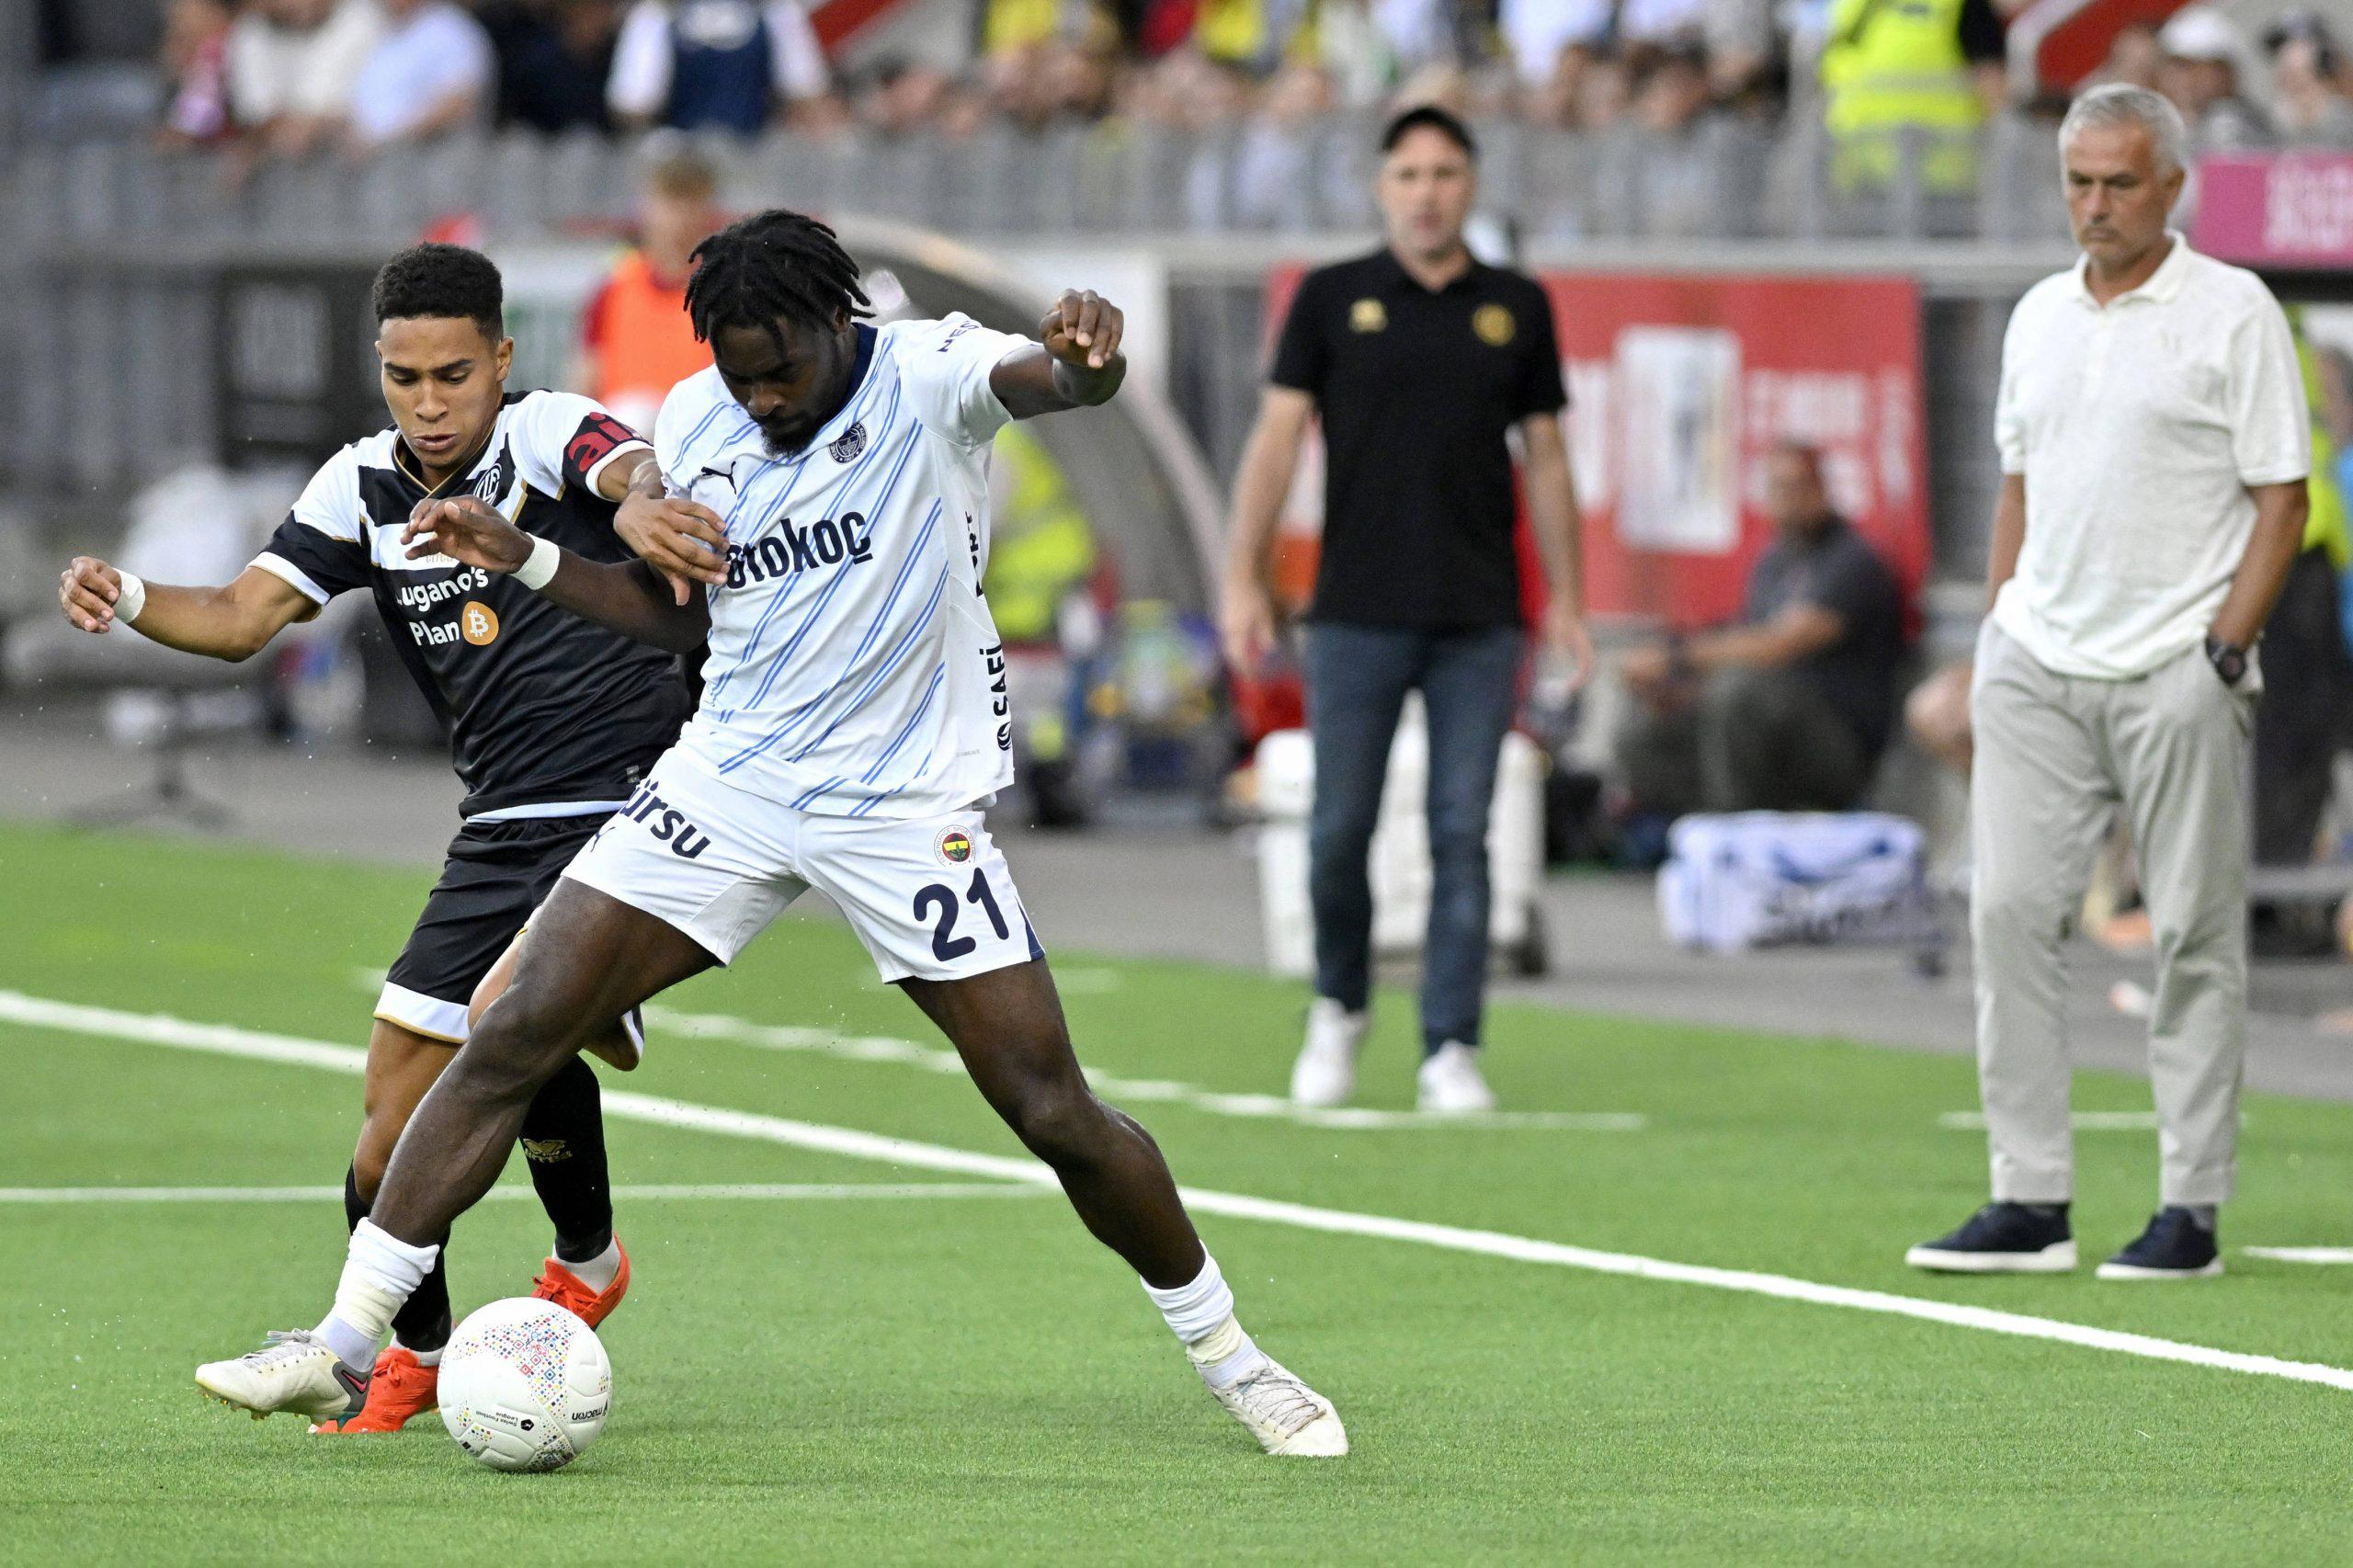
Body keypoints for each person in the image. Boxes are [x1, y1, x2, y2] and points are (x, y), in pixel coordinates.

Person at [189, 211, 1348, 1460]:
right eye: (738, 374)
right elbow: (671, 618)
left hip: (905, 805)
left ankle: (1237, 1359)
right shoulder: (698, 420)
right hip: (732, 778)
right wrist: (524, 555)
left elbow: (1056, 379)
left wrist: (1087, 358)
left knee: (1050, 1105)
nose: (761, 398)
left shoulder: (927, 372)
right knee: (512, 1021)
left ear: (834, 325)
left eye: (779, 369)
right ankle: (347, 1339)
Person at [58, 244, 697, 1429]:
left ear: (502, 361)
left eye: (455, 372)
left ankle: (510, 1280)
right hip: (498, 822)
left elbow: (625, 465)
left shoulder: (553, 431)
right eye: (404, 376)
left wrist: (647, 497)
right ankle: (421, 1346)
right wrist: (132, 596)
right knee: (387, 1131)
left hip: (632, 800)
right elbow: (248, 617)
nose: (431, 399)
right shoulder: (360, 485)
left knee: (517, 1006)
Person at [1905, 85, 2310, 1281]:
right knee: (2008, 912)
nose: (2094, 204)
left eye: (2118, 181)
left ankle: (2190, 1207)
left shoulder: (2235, 313)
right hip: (2037, 658)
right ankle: (2028, 1195)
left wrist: (2225, 648)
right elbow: (2018, 486)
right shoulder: (2036, 315)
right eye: (2078, 181)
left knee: (2191, 932)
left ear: (2172, 187)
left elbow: (2280, 496)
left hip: (2178, 660)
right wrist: (1994, 635)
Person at [1218, 105, 1593, 1116]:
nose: (1427, 191)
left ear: (1471, 186)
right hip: (1354, 611)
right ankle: (1338, 1005)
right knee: (1338, 827)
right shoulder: (1333, 299)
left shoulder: (1516, 305)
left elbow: (1548, 457)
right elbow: (1276, 441)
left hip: (1480, 615)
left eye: (1444, 173)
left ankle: (1450, 1044)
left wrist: (1569, 600)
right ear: (1382, 186)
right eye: (1409, 174)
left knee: (1461, 829)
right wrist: (1241, 575)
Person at [1615, 440, 1905, 818]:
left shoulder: (1853, 561)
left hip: (1837, 744)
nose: (1790, 499)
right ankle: (1691, 830)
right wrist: (1676, 683)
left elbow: (1779, 645)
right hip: (1764, 726)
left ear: (1823, 488)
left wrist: (1677, 658)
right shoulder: (1772, 562)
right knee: (1651, 718)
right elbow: (1745, 641)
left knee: (1737, 693)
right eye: (1779, 488)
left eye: (1801, 486)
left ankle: (1737, 834)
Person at [574, 150, 725, 435]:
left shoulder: (722, 288)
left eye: (691, 201)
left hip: (700, 434)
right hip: (623, 439)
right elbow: (586, 377)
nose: (679, 217)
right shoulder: (615, 284)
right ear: (646, 206)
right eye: (670, 201)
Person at [607, 0, 831, 135]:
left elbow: (806, 94)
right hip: (682, 167)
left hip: (757, 156)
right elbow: (634, 106)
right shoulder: (657, 13)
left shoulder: (774, 10)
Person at [224, 0, 382, 157]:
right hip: (292, 169)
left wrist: (320, 123)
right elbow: (258, 114)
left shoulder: (363, 15)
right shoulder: (253, 31)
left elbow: (381, 103)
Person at [344, 0, 496, 153]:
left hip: (435, 155)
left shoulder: (452, 30)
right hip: (375, 159)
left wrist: (394, 137)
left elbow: (460, 102)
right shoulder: (386, 32)